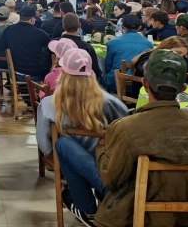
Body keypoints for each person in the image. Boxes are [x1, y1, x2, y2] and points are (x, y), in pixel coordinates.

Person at [93, 50, 188, 226]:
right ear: (183, 88)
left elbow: (110, 179)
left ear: (144, 83)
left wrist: (100, 146)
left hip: (136, 217)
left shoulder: (126, 128)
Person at [36, 50, 128, 219]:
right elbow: (125, 130)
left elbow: (45, 147)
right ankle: (106, 194)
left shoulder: (48, 104)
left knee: (62, 145)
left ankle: (88, 209)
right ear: (91, 73)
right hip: (106, 162)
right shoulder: (111, 102)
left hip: (69, 163)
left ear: (62, 73)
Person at [0, 5, 51, 81]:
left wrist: (11, 55)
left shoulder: (9, 30)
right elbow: (51, 47)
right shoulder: (39, 33)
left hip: (16, 73)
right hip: (36, 74)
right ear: (31, 19)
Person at [102, 15, 152, 92]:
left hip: (116, 81)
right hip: (139, 83)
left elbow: (108, 67)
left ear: (122, 26)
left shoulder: (112, 43)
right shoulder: (148, 44)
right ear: (139, 27)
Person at [59, 13, 102, 78]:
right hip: (84, 83)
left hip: (62, 80)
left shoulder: (57, 45)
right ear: (79, 25)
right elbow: (95, 71)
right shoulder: (86, 47)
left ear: (63, 26)